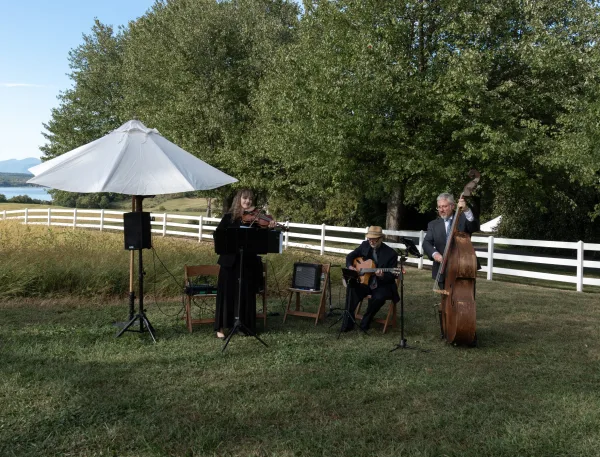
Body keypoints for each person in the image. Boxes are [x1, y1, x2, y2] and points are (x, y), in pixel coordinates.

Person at [214, 189, 276, 339]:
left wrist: (270, 228)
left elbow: (262, 240)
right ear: (239, 199)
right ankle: (220, 327)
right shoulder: (229, 217)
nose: (247, 201)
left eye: (250, 199)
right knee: (227, 294)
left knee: (246, 294)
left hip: (247, 263)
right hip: (229, 262)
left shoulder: (255, 220)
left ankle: (246, 325)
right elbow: (218, 236)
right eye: (245, 198)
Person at [341, 226, 400, 332]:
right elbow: (350, 257)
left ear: (381, 238)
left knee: (379, 297)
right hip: (364, 281)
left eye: (374, 239)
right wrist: (351, 267)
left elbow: (392, 276)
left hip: (382, 284)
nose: (371, 241)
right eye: (369, 238)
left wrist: (382, 275)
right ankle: (347, 324)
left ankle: (366, 321)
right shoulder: (364, 245)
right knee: (352, 288)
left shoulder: (391, 253)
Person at [422, 193, 480, 284]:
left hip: (464, 267)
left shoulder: (463, 218)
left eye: (444, 206)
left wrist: (466, 210)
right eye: (439, 207)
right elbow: (426, 243)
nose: (441, 210)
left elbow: (474, 227)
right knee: (445, 298)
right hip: (442, 269)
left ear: (452, 206)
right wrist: (435, 254)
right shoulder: (433, 224)